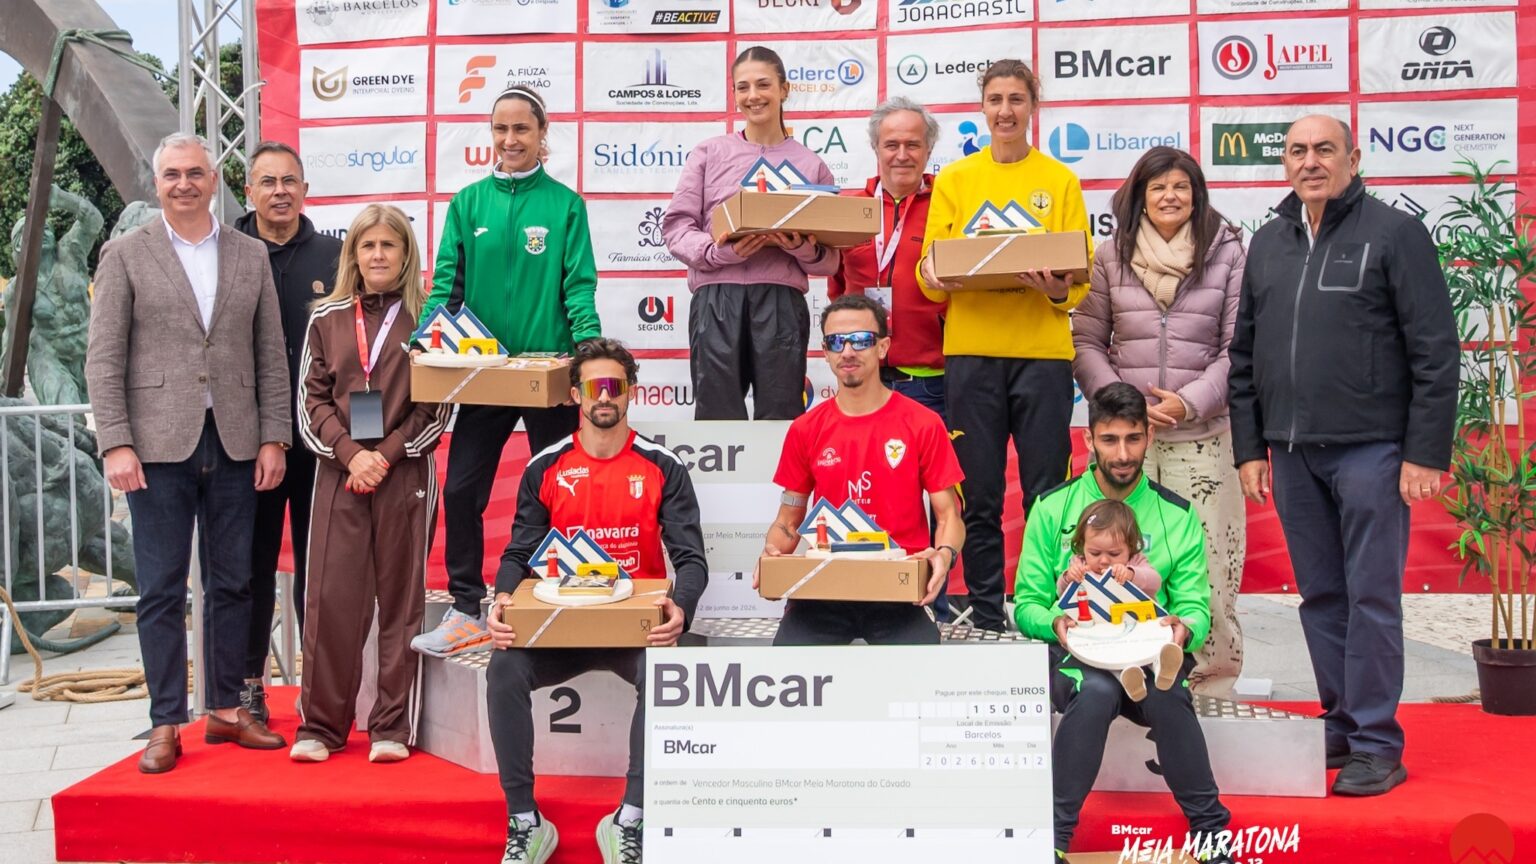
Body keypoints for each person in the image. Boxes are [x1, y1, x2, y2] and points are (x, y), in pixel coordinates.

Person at [1228, 115, 1459, 797]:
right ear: (1285, 164)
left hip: (1373, 452)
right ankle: (1341, 720)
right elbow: (1244, 355)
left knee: (1372, 598)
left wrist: (1423, 452)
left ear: (1353, 158)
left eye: (1324, 149)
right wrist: (1251, 448)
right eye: (1297, 150)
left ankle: (1378, 742)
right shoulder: (1268, 241)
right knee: (1322, 597)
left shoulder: (1394, 234)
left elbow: (1435, 350)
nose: (1310, 161)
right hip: (1293, 454)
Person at [85, 132, 290, 773]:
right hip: (155, 448)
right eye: (171, 174)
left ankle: (227, 712)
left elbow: (269, 358)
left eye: (195, 173)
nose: (183, 183)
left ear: (215, 179)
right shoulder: (123, 255)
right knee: (161, 591)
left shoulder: (250, 254)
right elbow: (103, 358)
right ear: (157, 183)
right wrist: (115, 441)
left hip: (234, 442)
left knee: (233, 583)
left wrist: (272, 436)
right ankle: (165, 722)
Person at [486, 338, 707, 864]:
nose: (604, 396)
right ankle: (524, 821)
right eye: (593, 386)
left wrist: (680, 608)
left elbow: (691, 559)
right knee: (504, 668)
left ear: (631, 393)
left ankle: (629, 819)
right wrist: (499, 599)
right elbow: (520, 550)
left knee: (666, 673)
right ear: (575, 395)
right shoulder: (547, 465)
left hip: (633, 631)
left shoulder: (661, 465)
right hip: (563, 630)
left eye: (614, 385)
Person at [413, 84, 602, 659]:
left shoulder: (566, 205)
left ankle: (552, 598)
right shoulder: (469, 204)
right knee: (465, 487)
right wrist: (425, 340)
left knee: (559, 491)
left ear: (543, 137)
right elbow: (446, 283)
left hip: (549, 374)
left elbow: (578, 285)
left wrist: (589, 351)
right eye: (501, 129)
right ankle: (467, 608)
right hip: (485, 373)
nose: (511, 139)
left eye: (522, 129)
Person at [1014, 382, 1230, 860]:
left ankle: (1212, 833)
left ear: (1148, 438)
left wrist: (1181, 629)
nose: (1123, 452)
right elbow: (1026, 602)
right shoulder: (1053, 508)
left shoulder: (1177, 513)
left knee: (1168, 693)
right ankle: (1050, 839)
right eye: (1110, 440)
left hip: (1151, 656)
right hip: (1077, 656)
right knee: (1097, 691)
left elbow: (1195, 603)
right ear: (1089, 440)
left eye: (1133, 438)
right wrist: (1056, 624)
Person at [916, 58, 1091, 633]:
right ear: (982, 107)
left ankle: (1046, 615)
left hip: (1043, 357)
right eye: (995, 99)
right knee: (981, 495)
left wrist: (1057, 289)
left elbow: (1080, 278)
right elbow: (929, 269)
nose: (1005, 111)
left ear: (1032, 107)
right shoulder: (958, 180)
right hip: (972, 355)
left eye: (1016, 99)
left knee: (1048, 496)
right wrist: (935, 277)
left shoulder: (1059, 180)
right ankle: (988, 613)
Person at [1071, 146, 1247, 698]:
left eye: (1181, 186)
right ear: (1138, 196)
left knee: (1212, 566)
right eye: (1157, 187)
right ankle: (1127, 675)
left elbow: (1238, 346)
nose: (1170, 197)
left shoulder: (1227, 253)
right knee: (1119, 561)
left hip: (1204, 436)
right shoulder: (1110, 255)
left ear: (1196, 194)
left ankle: (1214, 683)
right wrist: (1122, 404)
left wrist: (1190, 402)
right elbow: (1087, 340)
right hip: (1131, 442)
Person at [289, 205, 451, 763]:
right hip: (339, 474)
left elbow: (437, 406)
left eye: (389, 245)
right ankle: (322, 727)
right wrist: (351, 454)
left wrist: (383, 455)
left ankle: (389, 726)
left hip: (405, 471)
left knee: (402, 600)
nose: (378, 255)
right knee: (331, 599)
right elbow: (310, 403)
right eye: (367, 246)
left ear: (406, 254)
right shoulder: (325, 318)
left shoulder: (429, 319)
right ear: (352, 255)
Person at [760, 294, 964, 645]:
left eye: (861, 340)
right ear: (825, 351)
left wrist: (944, 555)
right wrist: (772, 554)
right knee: (788, 675)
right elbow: (788, 519)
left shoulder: (923, 423)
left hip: (899, 589)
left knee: (921, 685)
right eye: (836, 342)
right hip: (823, 587)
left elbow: (949, 516)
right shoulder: (805, 429)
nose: (848, 351)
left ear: (883, 347)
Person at [662, 45, 840, 421]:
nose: (753, 96)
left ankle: (780, 482)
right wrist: (720, 253)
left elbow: (831, 257)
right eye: (742, 88)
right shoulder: (709, 153)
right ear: (734, 94)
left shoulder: (812, 164)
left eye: (763, 84)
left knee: (781, 410)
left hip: (781, 302)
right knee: (716, 412)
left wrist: (802, 250)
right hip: (716, 299)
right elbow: (677, 226)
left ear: (784, 89)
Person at [828, 97, 953, 617]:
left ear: (928, 150)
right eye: (891, 143)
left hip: (930, 378)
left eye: (913, 144)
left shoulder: (949, 203)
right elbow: (838, 287)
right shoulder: (847, 206)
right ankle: (860, 599)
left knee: (937, 499)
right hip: (863, 376)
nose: (902, 154)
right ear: (875, 148)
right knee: (860, 489)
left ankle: (932, 604)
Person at [234, 140, 343, 723]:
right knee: (248, 566)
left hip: (320, 440)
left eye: (289, 181)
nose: (280, 191)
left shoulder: (335, 254)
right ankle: (248, 684)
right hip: (245, 441)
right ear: (248, 190)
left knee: (318, 566)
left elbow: (362, 354)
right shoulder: (225, 250)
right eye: (267, 181)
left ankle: (317, 689)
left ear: (305, 189)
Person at [1057, 499, 1181, 702]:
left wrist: (1131, 574)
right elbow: (1063, 594)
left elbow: (1154, 582)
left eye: (1114, 554)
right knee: (1109, 660)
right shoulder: (1079, 563)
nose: (1104, 560)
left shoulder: (1135, 562)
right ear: (1082, 546)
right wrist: (1069, 576)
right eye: (1094, 553)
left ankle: (1162, 668)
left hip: (1138, 627)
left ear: (1130, 547)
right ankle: (1130, 679)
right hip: (1101, 632)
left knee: (1151, 651)